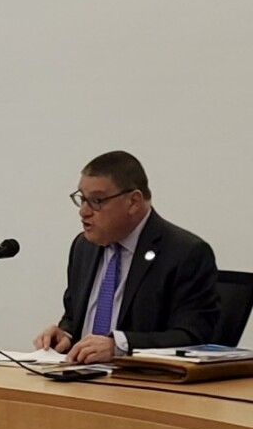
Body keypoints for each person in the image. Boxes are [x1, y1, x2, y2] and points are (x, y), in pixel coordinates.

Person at [34, 150, 219, 363]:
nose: (83, 212)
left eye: (96, 201)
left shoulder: (186, 253)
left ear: (133, 201)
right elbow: (73, 315)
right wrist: (65, 333)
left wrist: (119, 346)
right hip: (79, 377)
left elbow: (193, 338)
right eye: (82, 199)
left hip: (142, 386)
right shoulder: (84, 247)